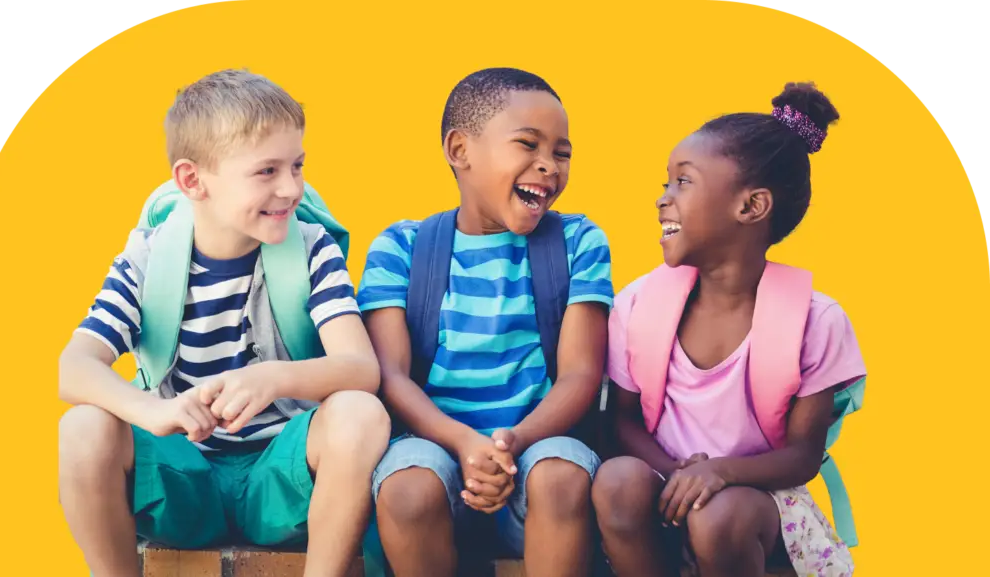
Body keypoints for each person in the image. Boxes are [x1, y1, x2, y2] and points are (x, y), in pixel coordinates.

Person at [57, 69, 390, 577]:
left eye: (297, 166)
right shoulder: (149, 259)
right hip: (183, 476)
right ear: (193, 181)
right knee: (83, 425)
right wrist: (150, 411)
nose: (292, 188)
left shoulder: (311, 248)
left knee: (360, 413)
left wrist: (274, 377)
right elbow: (74, 368)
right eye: (267, 171)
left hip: (282, 482)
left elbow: (361, 367)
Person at [593, 82, 863, 577]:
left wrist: (719, 473)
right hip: (665, 485)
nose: (662, 199)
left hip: (758, 506)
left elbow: (803, 455)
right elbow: (621, 423)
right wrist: (681, 473)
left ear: (750, 207)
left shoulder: (816, 321)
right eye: (666, 182)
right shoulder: (637, 305)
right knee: (616, 481)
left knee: (719, 517)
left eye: (683, 182)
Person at [356, 67, 614, 577]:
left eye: (561, 153)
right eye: (528, 145)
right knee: (406, 488)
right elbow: (391, 376)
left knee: (561, 473)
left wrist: (509, 443)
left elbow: (581, 375)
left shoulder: (580, 242)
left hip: (537, 455)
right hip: (437, 458)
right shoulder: (401, 248)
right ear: (459, 150)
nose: (548, 166)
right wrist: (464, 445)